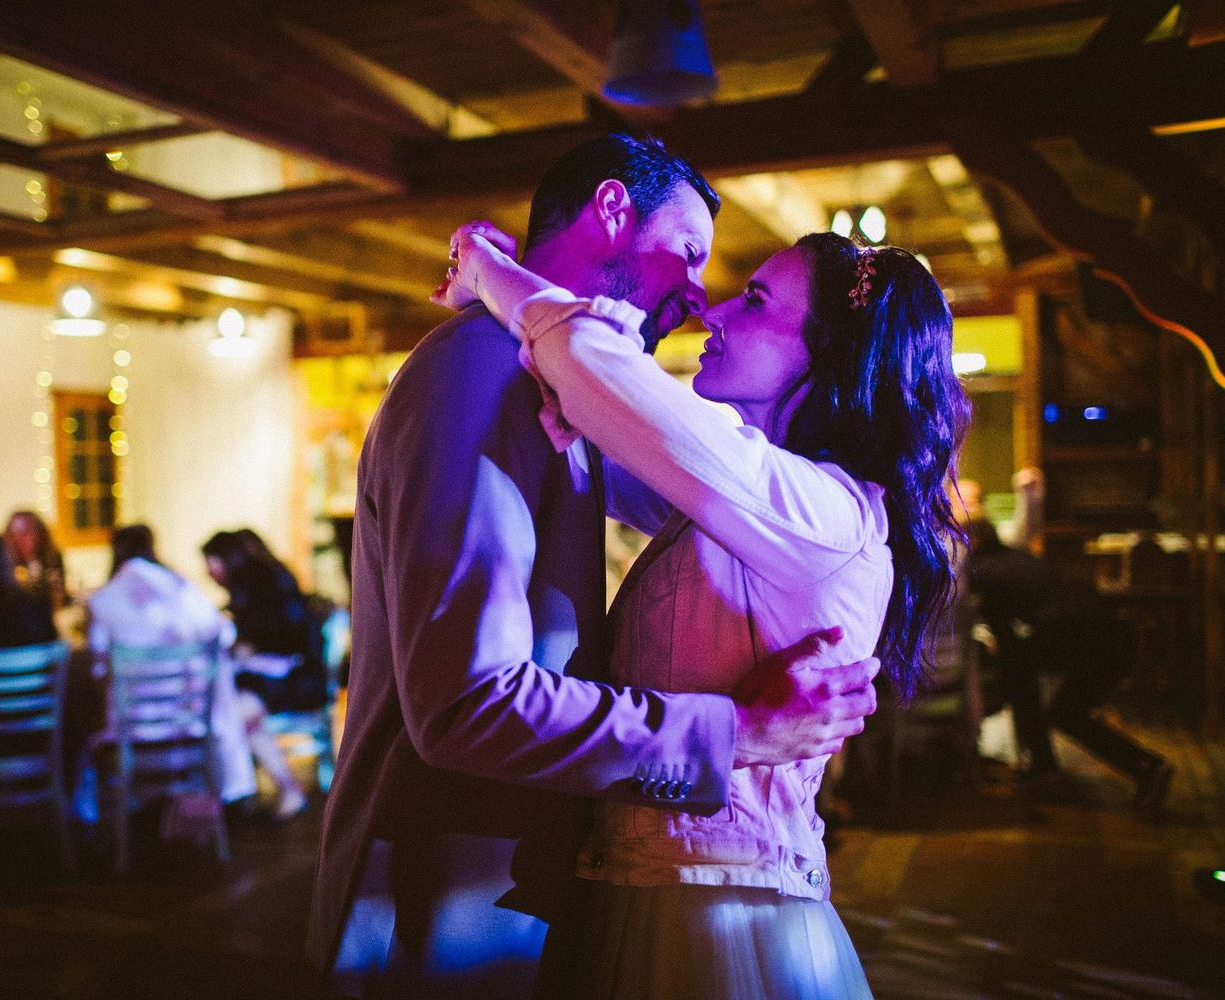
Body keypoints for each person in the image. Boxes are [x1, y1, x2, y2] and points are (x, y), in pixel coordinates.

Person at [310, 134, 881, 1000]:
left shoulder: (545, 387)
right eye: (689, 254)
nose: (697, 300)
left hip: (516, 890)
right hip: (444, 898)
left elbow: (686, 472)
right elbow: (468, 702)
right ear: (613, 210)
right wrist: (735, 735)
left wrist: (494, 274)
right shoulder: (479, 372)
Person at [436, 217, 968, 997]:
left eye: (753, 301)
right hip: (662, 890)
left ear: (828, 357)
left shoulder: (820, 511)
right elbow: (599, 417)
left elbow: (589, 361)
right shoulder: (757, 499)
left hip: (722, 918)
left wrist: (483, 266)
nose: (712, 313)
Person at [84, 525, 308, 822]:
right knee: (226, 714)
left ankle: (127, 818)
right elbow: (223, 635)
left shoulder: (102, 600)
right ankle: (218, 803)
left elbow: (97, 668)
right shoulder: (179, 589)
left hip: (134, 732)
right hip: (189, 726)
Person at [964, 517, 1174, 806]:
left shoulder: (981, 571)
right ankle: (1144, 768)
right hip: (1109, 634)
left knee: (1027, 679)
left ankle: (1047, 765)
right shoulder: (1016, 557)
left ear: (971, 543)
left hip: (1092, 642)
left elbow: (1006, 635)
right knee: (1060, 706)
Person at [202, 529, 330, 715]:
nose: (208, 572)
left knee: (224, 701)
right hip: (304, 679)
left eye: (210, 562)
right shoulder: (271, 576)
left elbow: (281, 633)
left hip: (293, 682)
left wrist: (248, 647)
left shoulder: (258, 586)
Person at [4, 510, 69, 612]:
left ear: (39, 533)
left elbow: (59, 597)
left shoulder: (52, 559)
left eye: (26, 532)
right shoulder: (6, 564)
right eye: (15, 533)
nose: (20, 538)